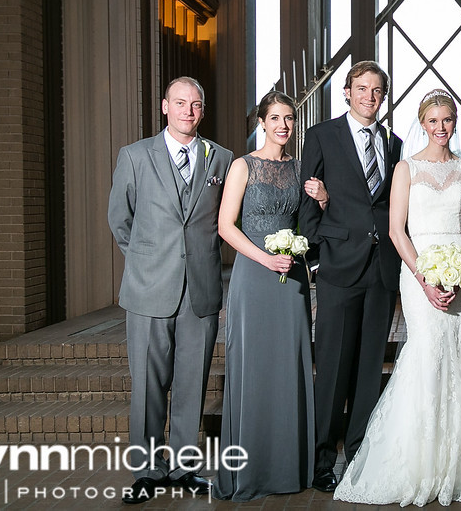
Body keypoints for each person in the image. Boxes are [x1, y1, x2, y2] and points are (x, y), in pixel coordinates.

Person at [333, 90, 461, 506]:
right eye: (433, 120)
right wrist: (426, 278)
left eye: (448, 119)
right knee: (427, 352)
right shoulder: (406, 168)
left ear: (455, 121)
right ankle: (417, 461)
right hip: (419, 270)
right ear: (422, 123)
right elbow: (397, 230)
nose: (441, 127)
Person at [107, 76, 233, 504]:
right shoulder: (135, 156)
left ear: (203, 109)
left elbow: (223, 220)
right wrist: (147, 260)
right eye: (180, 103)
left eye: (195, 104)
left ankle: (184, 468)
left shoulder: (221, 159)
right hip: (148, 290)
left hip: (199, 290)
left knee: (192, 384)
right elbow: (119, 219)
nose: (188, 111)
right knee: (147, 386)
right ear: (164, 106)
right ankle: (146, 471)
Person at [298, 61, 403, 493]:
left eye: (377, 91)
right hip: (339, 266)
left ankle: (359, 454)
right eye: (362, 89)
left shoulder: (394, 144)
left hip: (381, 270)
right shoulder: (322, 135)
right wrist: (318, 259)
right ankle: (322, 460)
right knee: (334, 367)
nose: (369, 97)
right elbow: (308, 200)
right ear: (346, 92)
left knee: (367, 369)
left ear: (384, 96)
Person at [214, 91, 324, 500]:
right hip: (254, 275)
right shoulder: (242, 166)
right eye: (275, 117)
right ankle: (252, 469)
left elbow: (311, 222)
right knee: (254, 368)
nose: (283, 125)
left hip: (291, 276)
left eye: (289, 118)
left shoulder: (300, 170)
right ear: (261, 122)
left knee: (290, 366)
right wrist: (264, 259)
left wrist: (322, 198)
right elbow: (226, 226)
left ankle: (289, 467)